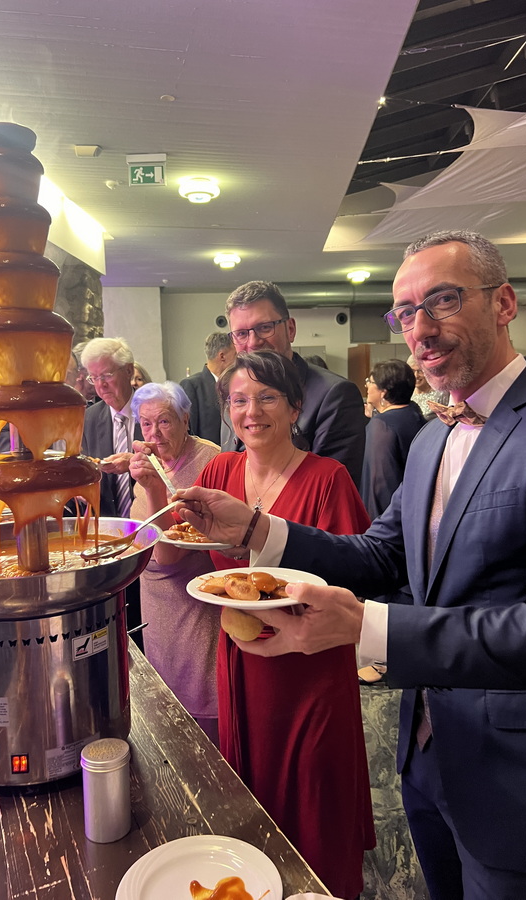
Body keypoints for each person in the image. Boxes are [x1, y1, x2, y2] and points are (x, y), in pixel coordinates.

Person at [175, 231, 526, 900]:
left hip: (520, 775)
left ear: (503, 303)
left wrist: (369, 631)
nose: (420, 328)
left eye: (441, 300)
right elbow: (378, 552)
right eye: (404, 310)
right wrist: (254, 528)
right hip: (425, 751)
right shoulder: (433, 432)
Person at [170, 350, 374, 900]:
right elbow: (182, 557)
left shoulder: (327, 479)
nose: (251, 411)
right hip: (241, 656)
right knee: (250, 794)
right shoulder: (218, 473)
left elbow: (352, 578)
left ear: (295, 408)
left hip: (309, 665)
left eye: (267, 398)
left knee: (312, 790)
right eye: (239, 400)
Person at [128, 382, 221, 742]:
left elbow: (168, 554)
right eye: (145, 423)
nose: (154, 433)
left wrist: (152, 488)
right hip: (156, 606)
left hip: (194, 608)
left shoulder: (209, 462)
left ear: (186, 418)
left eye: (164, 421)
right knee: (167, 710)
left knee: (202, 711)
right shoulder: (148, 462)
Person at [221, 281, 366, 487]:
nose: (253, 342)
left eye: (264, 328)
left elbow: (331, 492)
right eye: (242, 334)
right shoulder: (234, 393)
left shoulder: (334, 395)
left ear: (290, 329)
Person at [80, 337, 141, 518]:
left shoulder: (156, 409)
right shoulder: (89, 419)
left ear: (128, 370)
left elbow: (179, 465)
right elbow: (85, 470)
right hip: (109, 526)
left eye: (106, 375)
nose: (100, 385)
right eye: (94, 378)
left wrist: (134, 463)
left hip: (152, 521)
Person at [361, 359, 425, 520]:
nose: (367, 386)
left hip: (388, 520)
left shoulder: (382, 426)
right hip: (415, 511)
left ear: (384, 392)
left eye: (371, 381)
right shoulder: (414, 413)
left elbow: (380, 484)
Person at [180, 332, 236, 444]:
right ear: (222, 356)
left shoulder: (235, 385)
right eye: (235, 355)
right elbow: (188, 432)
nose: (238, 360)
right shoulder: (192, 386)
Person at [406, 353, 450, 417]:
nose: (416, 375)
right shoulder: (406, 394)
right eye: (412, 371)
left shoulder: (442, 394)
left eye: (420, 371)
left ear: (428, 371)